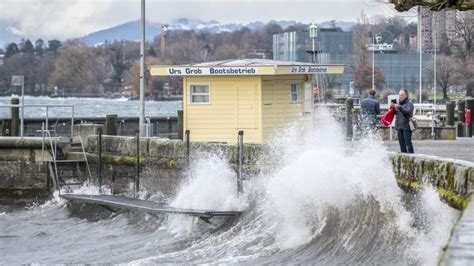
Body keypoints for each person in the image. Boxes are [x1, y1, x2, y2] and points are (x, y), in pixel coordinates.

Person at [394, 89, 414, 153]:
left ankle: (411, 157)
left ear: (406, 95)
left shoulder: (409, 103)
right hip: (399, 126)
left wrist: (399, 107)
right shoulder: (398, 104)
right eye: (399, 95)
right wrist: (392, 108)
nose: (400, 96)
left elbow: (407, 112)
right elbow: (395, 113)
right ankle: (404, 157)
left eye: (402, 95)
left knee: (408, 143)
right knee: (402, 144)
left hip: (406, 126)